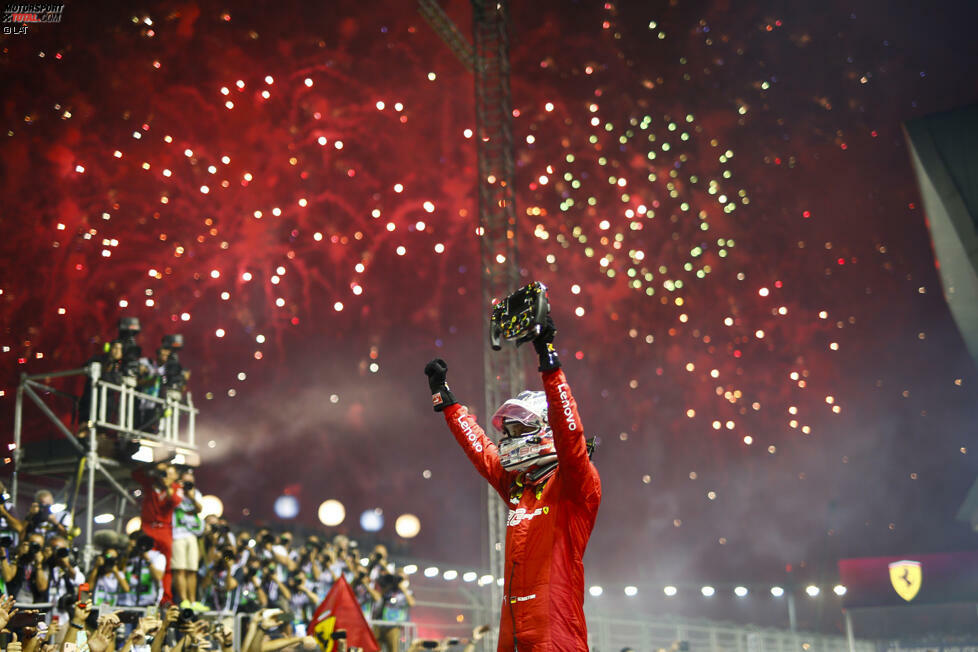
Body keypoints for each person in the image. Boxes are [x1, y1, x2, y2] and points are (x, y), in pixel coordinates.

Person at [424, 313, 601, 652]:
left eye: (521, 429)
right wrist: (448, 405)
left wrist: (548, 359)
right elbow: (483, 453)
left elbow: (570, 432)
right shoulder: (522, 489)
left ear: (547, 428)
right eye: (510, 430)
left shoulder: (575, 484)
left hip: (556, 634)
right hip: (514, 634)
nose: (511, 436)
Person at [132, 462, 182, 605]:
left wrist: (168, 486)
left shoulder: (175, 488)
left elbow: (174, 501)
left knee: (166, 567)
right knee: (145, 560)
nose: (164, 476)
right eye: (162, 473)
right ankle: (143, 594)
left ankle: (165, 597)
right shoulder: (151, 483)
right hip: (148, 528)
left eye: (167, 473)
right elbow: (135, 474)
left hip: (165, 530)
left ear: (175, 476)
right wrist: (152, 466)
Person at [171, 467, 206, 611]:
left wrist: (191, 496)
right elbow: (172, 503)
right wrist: (180, 490)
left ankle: (193, 601)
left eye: (190, 483)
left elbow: (199, 509)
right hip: (177, 534)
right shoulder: (175, 491)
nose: (187, 485)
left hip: (191, 534)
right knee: (180, 569)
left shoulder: (195, 493)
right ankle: (184, 600)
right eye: (185, 482)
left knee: (192, 569)